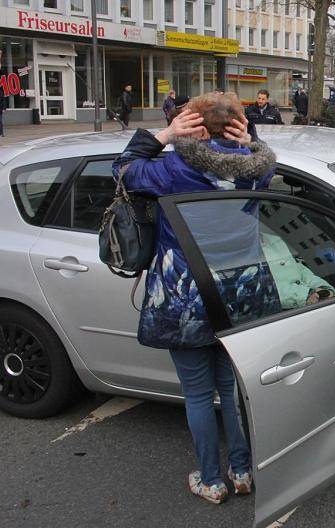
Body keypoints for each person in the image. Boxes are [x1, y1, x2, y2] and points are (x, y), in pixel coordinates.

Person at [112, 92, 277, 505]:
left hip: (187, 296)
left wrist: (165, 134)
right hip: (240, 295)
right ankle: (241, 471)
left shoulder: (173, 169)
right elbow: (261, 159)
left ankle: (211, 480)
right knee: (231, 388)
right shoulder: (257, 170)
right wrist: (250, 139)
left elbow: (124, 170)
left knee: (199, 395)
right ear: (237, 126)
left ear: (195, 129)